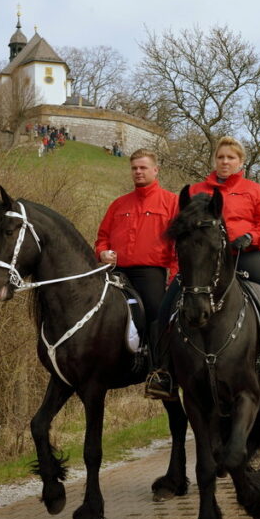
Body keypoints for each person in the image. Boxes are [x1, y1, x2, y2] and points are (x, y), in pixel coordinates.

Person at [146, 136, 260, 400]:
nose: (225, 162)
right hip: (204, 262)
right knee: (166, 308)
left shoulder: (255, 190)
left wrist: (251, 237)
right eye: (221, 157)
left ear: (240, 162)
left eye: (231, 158)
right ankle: (162, 373)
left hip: (245, 254)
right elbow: (181, 228)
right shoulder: (195, 191)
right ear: (215, 159)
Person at [94, 148, 178, 383]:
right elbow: (102, 237)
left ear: (155, 170)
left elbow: (180, 245)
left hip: (149, 273)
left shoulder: (172, 203)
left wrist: (175, 275)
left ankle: (159, 371)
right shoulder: (118, 204)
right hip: (115, 272)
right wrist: (102, 252)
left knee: (154, 313)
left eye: (143, 168)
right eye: (134, 168)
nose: (138, 172)